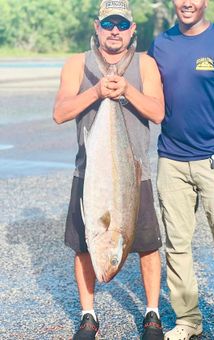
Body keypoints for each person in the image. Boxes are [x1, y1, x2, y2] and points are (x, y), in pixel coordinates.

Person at [53, 1, 165, 339]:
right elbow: (60, 113)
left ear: (132, 30)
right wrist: (98, 91)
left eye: (121, 24)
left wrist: (127, 90)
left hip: (135, 173)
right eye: (107, 24)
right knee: (83, 246)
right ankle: (88, 314)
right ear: (96, 26)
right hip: (90, 174)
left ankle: (152, 313)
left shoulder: (145, 64)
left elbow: (158, 113)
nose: (114, 30)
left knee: (148, 245)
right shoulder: (77, 64)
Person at [148, 1, 214, 339]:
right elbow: (150, 97)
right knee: (177, 246)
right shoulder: (160, 45)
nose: (187, 3)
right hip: (171, 162)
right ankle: (188, 321)